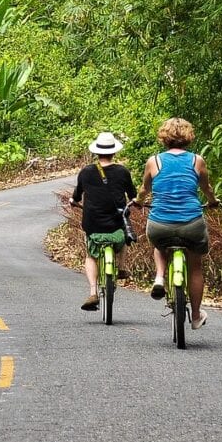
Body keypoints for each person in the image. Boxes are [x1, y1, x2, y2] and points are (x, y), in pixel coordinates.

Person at [138, 117, 216, 330]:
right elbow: (206, 188)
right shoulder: (197, 161)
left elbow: (145, 190)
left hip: (160, 223)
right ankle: (196, 315)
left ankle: (160, 278)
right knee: (196, 267)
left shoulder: (154, 161)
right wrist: (213, 202)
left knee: (159, 244)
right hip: (191, 223)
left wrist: (137, 201)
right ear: (189, 136)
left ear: (164, 137)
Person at [70, 131, 136, 312]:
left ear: (96, 152)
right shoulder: (123, 171)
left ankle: (92, 291)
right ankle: (121, 267)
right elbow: (133, 196)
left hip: (93, 223)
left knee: (91, 255)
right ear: (114, 152)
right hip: (116, 222)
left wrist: (73, 202)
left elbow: (76, 196)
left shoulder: (86, 172)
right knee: (123, 234)